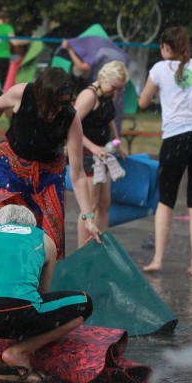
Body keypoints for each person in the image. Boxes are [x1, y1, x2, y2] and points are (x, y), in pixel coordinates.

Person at [0, 205, 93, 383]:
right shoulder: (44, 239)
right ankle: (19, 352)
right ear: (32, 225)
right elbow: (42, 292)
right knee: (84, 302)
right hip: (17, 312)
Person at [0, 67, 102, 259]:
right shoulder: (21, 94)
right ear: (41, 95)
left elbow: (78, 174)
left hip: (49, 175)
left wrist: (88, 217)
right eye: (54, 104)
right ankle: (6, 272)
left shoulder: (70, 118)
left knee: (52, 237)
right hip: (10, 167)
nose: (57, 109)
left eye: (63, 104)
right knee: (10, 228)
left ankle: (46, 282)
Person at [138, 26, 192, 276]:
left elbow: (142, 101)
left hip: (175, 138)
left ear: (165, 47)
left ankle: (158, 258)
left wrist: (160, 97)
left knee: (166, 200)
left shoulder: (160, 69)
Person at [73, 60, 129, 248]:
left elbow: (109, 119)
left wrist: (117, 140)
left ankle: (102, 246)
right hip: (87, 154)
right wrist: (92, 147)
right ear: (103, 78)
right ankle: (82, 251)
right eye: (114, 87)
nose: (116, 93)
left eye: (119, 89)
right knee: (90, 206)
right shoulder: (89, 96)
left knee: (105, 203)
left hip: (102, 154)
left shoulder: (106, 95)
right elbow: (72, 126)